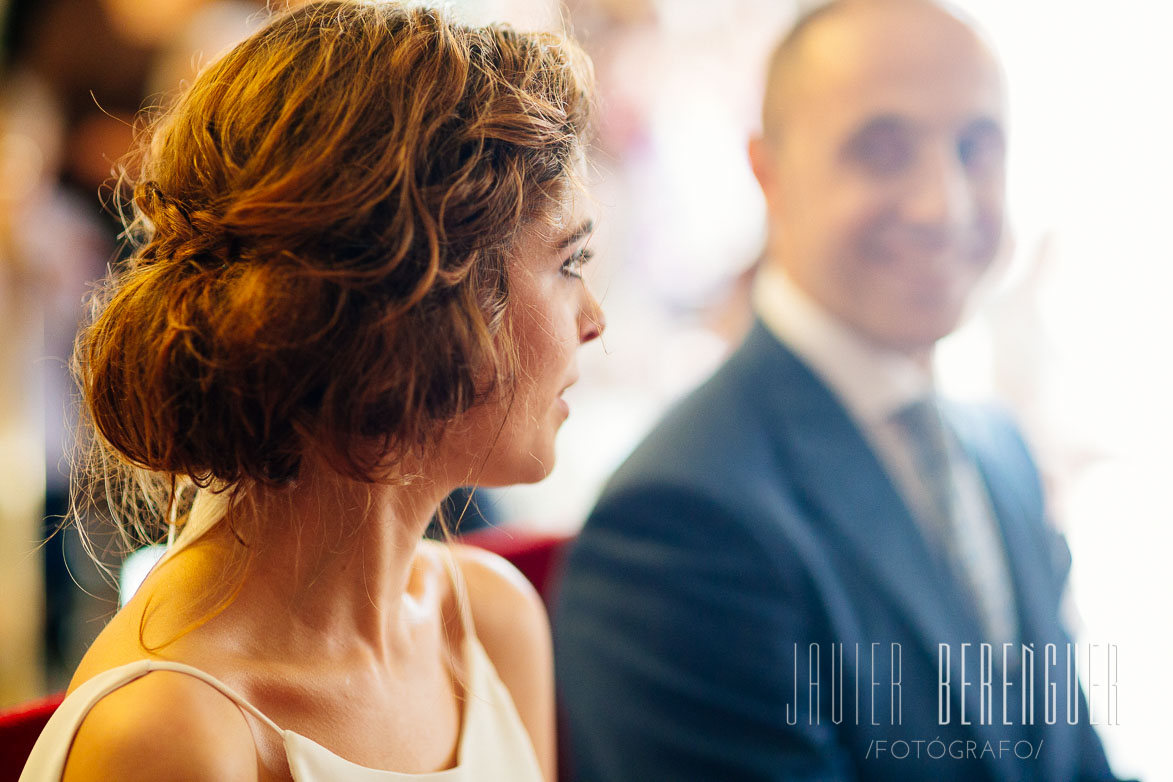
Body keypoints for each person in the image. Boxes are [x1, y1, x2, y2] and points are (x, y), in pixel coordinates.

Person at [20, 2, 603, 780]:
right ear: (419, 307)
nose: (594, 319)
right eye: (568, 263)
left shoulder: (488, 624)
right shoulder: (173, 735)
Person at [553, 1, 1123, 780]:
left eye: (975, 148)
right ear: (769, 173)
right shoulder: (680, 522)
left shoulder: (1000, 454)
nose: (942, 204)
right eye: (882, 151)